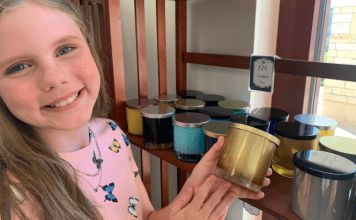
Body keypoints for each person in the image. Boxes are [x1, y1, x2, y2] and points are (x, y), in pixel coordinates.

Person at [0, 0, 273, 219]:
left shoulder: (112, 135)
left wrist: (192, 192)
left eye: (66, 48)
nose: (54, 78)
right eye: (18, 66)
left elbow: (146, 216)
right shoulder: (11, 192)